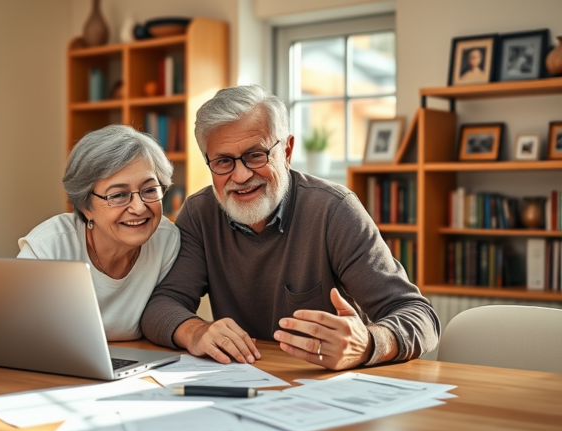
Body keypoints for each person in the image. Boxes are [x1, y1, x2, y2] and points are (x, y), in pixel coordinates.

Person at [140, 85, 440, 370]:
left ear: (286, 151)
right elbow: (161, 305)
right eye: (223, 161)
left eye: (255, 155)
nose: (241, 175)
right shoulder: (199, 212)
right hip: (244, 385)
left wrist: (368, 343)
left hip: (331, 389)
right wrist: (195, 331)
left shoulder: (334, 210)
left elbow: (420, 317)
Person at [18, 125, 180, 341]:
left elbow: (166, 317)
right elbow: (13, 331)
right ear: (86, 206)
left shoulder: (167, 240)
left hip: (137, 367)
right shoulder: (49, 246)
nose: (139, 208)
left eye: (150, 190)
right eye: (119, 195)